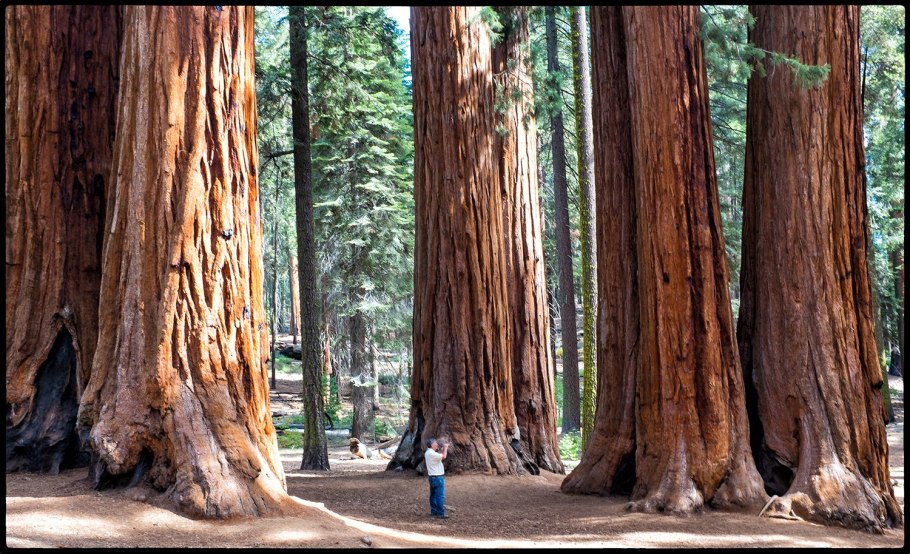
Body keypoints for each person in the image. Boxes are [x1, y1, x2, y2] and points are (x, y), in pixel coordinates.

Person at [424, 437, 449, 519]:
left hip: (432, 478)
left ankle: (434, 511)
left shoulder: (428, 452)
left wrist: (441, 449)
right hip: (438, 478)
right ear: (432, 444)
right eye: (435, 443)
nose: (437, 444)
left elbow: (438, 456)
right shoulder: (432, 453)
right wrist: (445, 448)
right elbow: (444, 456)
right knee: (440, 496)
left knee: (433, 495)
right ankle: (440, 513)